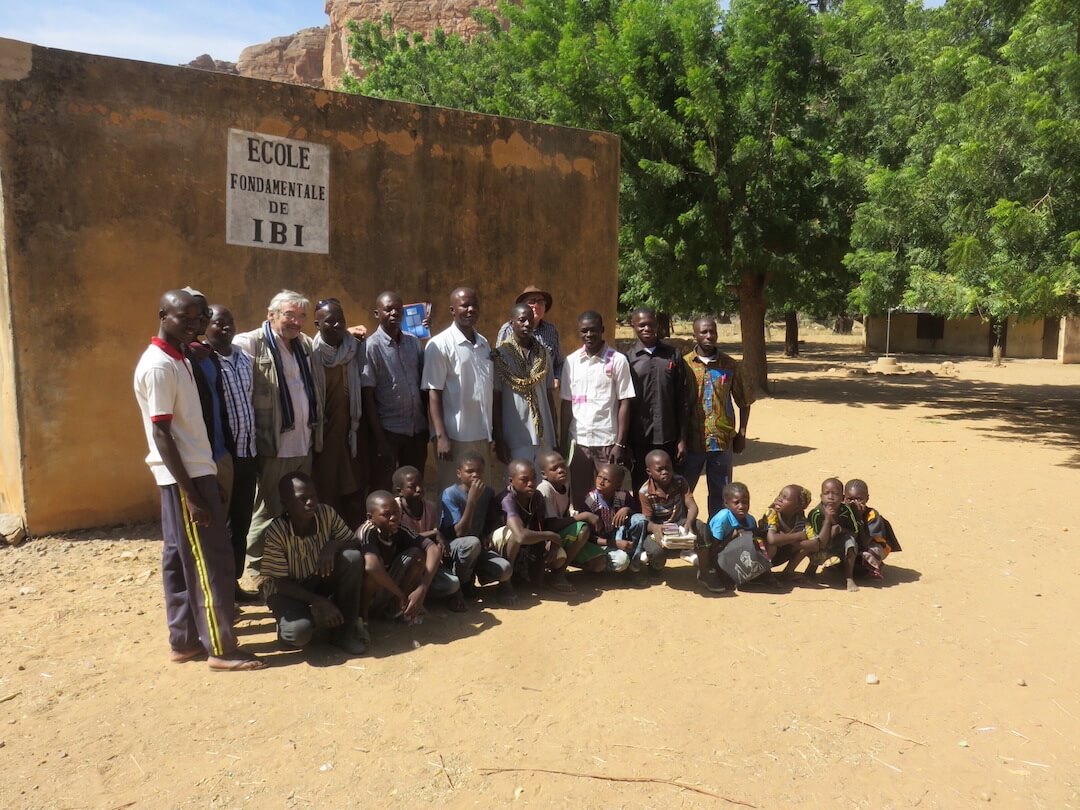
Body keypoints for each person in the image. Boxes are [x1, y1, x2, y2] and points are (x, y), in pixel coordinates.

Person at [133, 289, 263, 671]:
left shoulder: (181, 357)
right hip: (184, 476)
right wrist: (192, 492)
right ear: (162, 315)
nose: (193, 324)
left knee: (178, 557)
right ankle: (221, 648)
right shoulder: (159, 365)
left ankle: (184, 640)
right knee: (211, 560)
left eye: (197, 319)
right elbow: (162, 434)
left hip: (194, 470)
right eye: (183, 318)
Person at [234, 290, 326, 574]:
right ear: (270, 314)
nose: (296, 321)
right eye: (289, 314)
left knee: (295, 507)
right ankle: (258, 563)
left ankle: (286, 560)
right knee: (270, 507)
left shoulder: (305, 345)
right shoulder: (250, 343)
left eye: (301, 316)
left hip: (304, 441)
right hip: (274, 444)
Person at [260, 472, 369, 655]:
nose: (310, 503)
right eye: (302, 499)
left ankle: (344, 634)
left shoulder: (326, 513)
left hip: (316, 578)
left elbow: (353, 541)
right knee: (299, 634)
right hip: (287, 590)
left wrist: (332, 546)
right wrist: (319, 602)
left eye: (313, 496)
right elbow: (279, 583)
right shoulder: (276, 531)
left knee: (353, 558)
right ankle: (287, 627)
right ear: (285, 504)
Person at [204, 304, 260, 603]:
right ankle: (218, 591)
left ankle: (234, 584)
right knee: (219, 528)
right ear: (206, 326)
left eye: (230, 322)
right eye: (218, 323)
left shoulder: (244, 358)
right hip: (222, 456)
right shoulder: (202, 362)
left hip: (247, 453)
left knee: (241, 524)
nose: (225, 328)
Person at [560, 311, 635, 510]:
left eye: (593, 330)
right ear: (579, 333)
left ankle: (613, 537)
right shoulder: (571, 362)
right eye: (584, 331)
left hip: (607, 442)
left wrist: (620, 443)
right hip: (580, 441)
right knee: (581, 497)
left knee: (613, 496)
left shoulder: (618, 360)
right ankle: (587, 538)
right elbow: (567, 404)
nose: (589, 334)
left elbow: (625, 402)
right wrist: (562, 441)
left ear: (602, 330)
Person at [422, 287, 494, 492]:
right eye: (464, 305)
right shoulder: (439, 344)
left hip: (482, 432)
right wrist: (441, 436)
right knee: (453, 493)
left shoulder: (483, 343)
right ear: (453, 310)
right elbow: (433, 391)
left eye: (474, 305)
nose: (470, 309)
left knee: (481, 493)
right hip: (455, 437)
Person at [681, 317, 753, 517]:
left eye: (712, 331)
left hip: (721, 442)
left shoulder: (730, 365)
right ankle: (682, 534)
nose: (709, 336)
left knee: (721, 495)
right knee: (683, 492)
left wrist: (742, 434)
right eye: (704, 332)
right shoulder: (684, 365)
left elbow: (744, 402)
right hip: (691, 441)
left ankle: (718, 538)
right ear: (695, 334)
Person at [357, 491, 463, 623]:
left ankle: (397, 608)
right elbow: (371, 566)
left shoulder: (399, 527)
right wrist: (400, 593)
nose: (393, 518)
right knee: (375, 566)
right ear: (370, 517)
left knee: (417, 555)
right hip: (363, 594)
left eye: (396, 512)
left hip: (387, 588)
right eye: (386, 514)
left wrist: (422, 588)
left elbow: (433, 549)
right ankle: (361, 617)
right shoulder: (367, 531)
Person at [362, 291, 428, 493]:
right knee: (383, 487)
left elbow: (422, 384)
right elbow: (368, 396)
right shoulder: (370, 347)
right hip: (389, 432)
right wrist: (380, 439)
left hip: (416, 430)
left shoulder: (413, 342)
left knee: (415, 488)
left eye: (398, 309)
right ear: (376, 313)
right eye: (388, 309)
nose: (394, 313)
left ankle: (413, 524)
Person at [311, 298, 368, 527]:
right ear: (317, 325)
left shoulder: (353, 348)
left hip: (352, 435)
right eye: (329, 322)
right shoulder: (311, 354)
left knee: (354, 492)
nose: (336, 326)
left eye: (340, 321)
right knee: (327, 491)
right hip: (324, 438)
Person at [438, 454, 516, 605]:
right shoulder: (450, 494)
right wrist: (472, 501)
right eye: (470, 471)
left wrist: (486, 535)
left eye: (479, 471)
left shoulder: (487, 493)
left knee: (505, 569)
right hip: (455, 548)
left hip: (477, 547)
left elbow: (488, 521)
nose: (475, 475)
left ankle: (479, 575)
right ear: (459, 473)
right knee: (472, 543)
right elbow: (460, 532)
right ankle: (463, 583)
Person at [625, 307, 688, 490]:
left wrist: (682, 439)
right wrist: (626, 443)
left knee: (670, 486)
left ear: (657, 325)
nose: (646, 328)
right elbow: (624, 403)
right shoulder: (627, 359)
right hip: (639, 438)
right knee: (641, 487)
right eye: (641, 325)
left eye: (650, 324)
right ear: (633, 326)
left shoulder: (672, 355)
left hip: (668, 436)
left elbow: (682, 399)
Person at [489, 459, 574, 593]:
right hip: (498, 547)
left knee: (559, 556)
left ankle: (535, 575)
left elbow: (539, 528)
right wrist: (551, 535)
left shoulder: (537, 497)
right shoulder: (507, 499)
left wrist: (549, 544)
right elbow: (520, 535)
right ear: (511, 481)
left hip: (524, 544)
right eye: (524, 480)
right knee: (515, 534)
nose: (531, 483)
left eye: (534, 478)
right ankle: (505, 584)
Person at [393, 465, 467, 612]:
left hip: (427, 561)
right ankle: (401, 602)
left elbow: (435, 540)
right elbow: (401, 539)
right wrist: (434, 533)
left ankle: (422, 593)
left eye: (421, 484)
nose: (419, 489)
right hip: (404, 563)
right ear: (399, 491)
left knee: (452, 584)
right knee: (415, 553)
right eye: (412, 487)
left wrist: (436, 536)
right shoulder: (394, 508)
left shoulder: (430, 507)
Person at [493, 303, 556, 468]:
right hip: (514, 435)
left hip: (544, 435)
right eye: (522, 320)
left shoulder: (543, 354)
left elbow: (549, 395)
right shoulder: (500, 356)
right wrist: (499, 439)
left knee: (544, 487)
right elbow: (496, 399)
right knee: (519, 487)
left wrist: (555, 434)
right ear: (511, 323)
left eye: (530, 320)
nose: (527, 324)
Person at [535, 451, 610, 573]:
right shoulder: (544, 489)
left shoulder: (565, 485)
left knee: (599, 562)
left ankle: (569, 560)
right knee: (582, 529)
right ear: (544, 474)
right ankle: (558, 573)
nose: (561, 470)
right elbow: (550, 525)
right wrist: (584, 515)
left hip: (561, 534)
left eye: (563, 466)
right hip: (547, 539)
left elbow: (564, 515)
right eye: (554, 469)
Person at [638, 450, 707, 579]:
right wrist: (655, 528)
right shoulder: (645, 492)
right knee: (656, 552)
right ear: (649, 472)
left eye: (668, 468)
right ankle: (655, 564)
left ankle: (706, 568)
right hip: (659, 528)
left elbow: (692, 506)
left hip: (678, 524)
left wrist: (689, 522)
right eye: (660, 470)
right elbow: (646, 521)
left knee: (702, 528)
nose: (665, 472)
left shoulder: (679, 481)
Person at [583, 462, 649, 573]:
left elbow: (638, 516)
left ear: (618, 485)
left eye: (606, 480)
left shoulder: (623, 495)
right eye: (599, 477)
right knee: (621, 561)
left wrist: (627, 509)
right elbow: (588, 536)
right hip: (601, 543)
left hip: (620, 536)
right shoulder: (590, 501)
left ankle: (634, 564)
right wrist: (614, 544)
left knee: (640, 520)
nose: (601, 482)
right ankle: (606, 564)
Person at [497, 285, 564, 386]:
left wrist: (557, 378)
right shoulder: (508, 329)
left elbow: (559, 363)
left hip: (543, 390)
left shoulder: (551, 330)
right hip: (516, 389)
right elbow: (498, 363)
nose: (536, 305)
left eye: (540, 302)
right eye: (531, 301)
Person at [707, 481, 769, 592]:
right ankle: (719, 575)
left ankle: (758, 575)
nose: (741, 506)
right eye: (736, 503)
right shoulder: (722, 519)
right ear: (726, 504)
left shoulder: (750, 519)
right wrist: (732, 536)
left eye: (745, 502)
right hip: (717, 554)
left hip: (737, 555)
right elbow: (712, 548)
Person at [806, 477, 860, 591]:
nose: (830, 497)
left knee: (851, 544)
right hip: (822, 544)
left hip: (841, 542)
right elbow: (817, 542)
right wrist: (827, 520)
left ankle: (849, 577)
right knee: (818, 551)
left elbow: (855, 532)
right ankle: (810, 571)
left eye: (835, 493)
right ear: (821, 497)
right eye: (826, 493)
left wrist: (839, 529)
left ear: (843, 498)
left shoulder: (846, 510)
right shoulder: (816, 513)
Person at [844, 478, 902, 580]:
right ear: (843, 498)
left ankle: (874, 567)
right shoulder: (842, 512)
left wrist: (859, 519)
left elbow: (865, 543)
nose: (854, 503)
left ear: (867, 499)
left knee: (868, 555)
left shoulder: (871, 515)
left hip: (869, 545)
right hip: (853, 545)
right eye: (850, 499)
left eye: (859, 499)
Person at [761, 485, 819, 577]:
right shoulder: (771, 514)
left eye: (785, 498)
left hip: (783, 554)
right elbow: (772, 539)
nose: (779, 499)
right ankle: (765, 574)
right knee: (772, 545)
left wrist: (789, 542)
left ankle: (787, 573)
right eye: (780, 495)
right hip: (764, 555)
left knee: (806, 546)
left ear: (797, 507)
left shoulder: (802, 521)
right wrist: (798, 536)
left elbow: (815, 544)